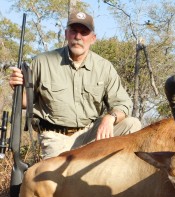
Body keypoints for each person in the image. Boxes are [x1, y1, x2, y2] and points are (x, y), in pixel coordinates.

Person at [9, 11, 141, 159]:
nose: (78, 37)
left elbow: (123, 104)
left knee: (132, 124)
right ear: (66, 34)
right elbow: (24, 103)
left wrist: (110, 118)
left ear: (93, 38)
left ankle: (120, 179)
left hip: (90, 133)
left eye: (84, 33)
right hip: (56, 137)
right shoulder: (42, 62)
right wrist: (18, 87)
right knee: (58, 178)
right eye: (74, 31)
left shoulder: (104, 67)